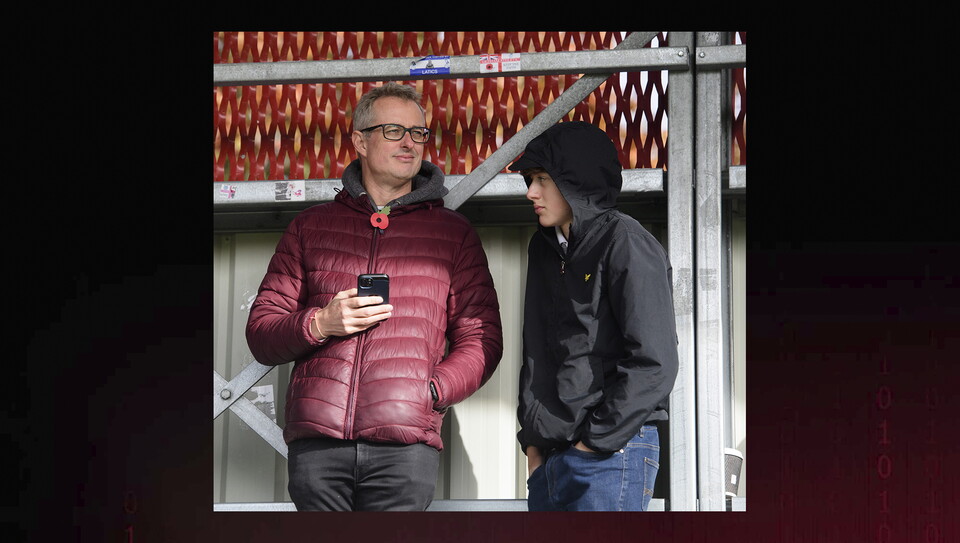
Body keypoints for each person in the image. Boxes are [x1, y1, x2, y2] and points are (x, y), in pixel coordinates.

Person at [245, 82, 503, 511]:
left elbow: (482, 339)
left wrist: (429, 392)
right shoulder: (310, 227)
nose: (409, 142)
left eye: (418, 133)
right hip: (318, 447)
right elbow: (261, 331)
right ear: (359, 141)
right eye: (393, 130)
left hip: (404, 448)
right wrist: (319, 323)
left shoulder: (452, 234)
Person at [510, 121, 679, 511]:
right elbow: (535, 351)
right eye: (529, 180)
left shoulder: (626, 243)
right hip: (552, 458)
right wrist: (534, 448)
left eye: (541, 179)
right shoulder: (545, 247)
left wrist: (595, 444)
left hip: (608, 456)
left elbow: (655, 363)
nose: (531, 193)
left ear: (576, 181)